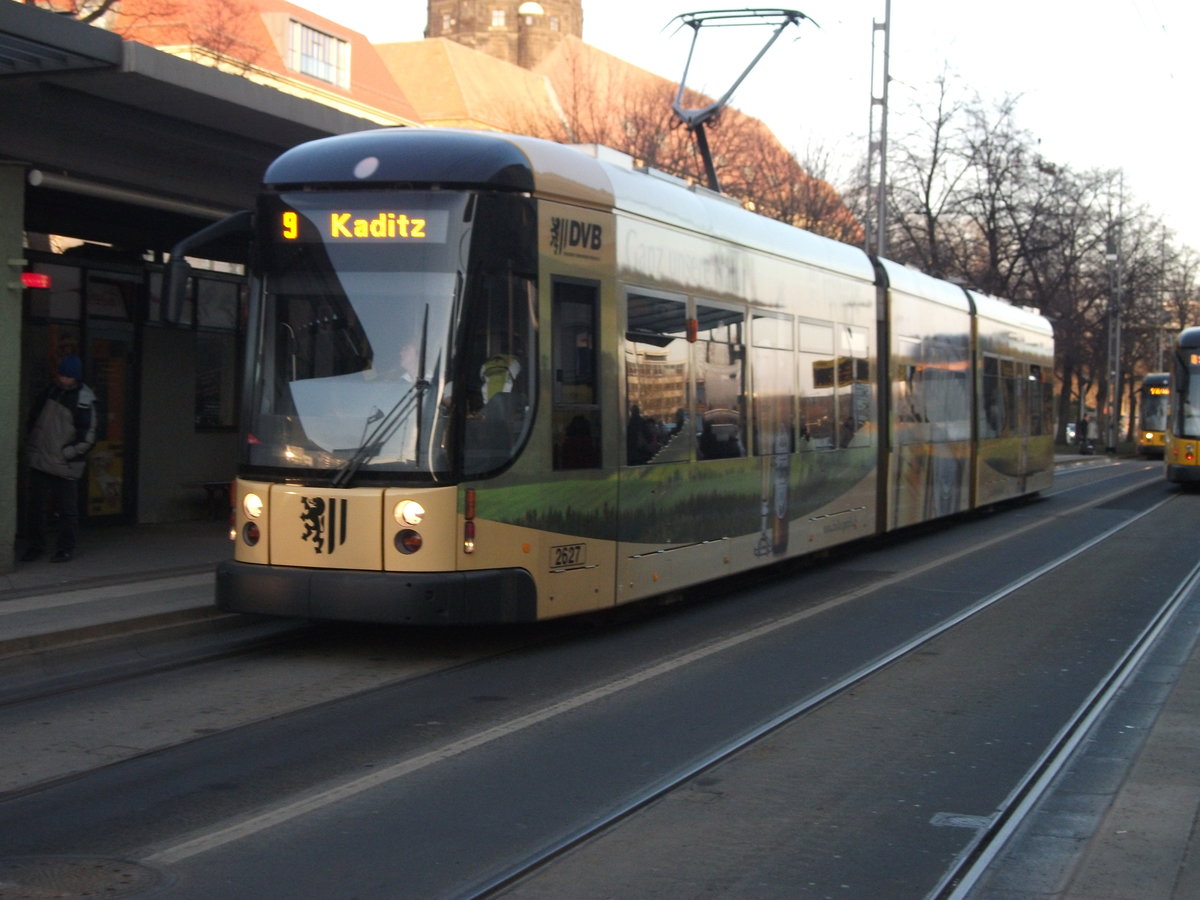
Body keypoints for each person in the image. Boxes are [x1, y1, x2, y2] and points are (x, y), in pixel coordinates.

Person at [22, 354, 97, 563]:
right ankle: (36, 546)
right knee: (36, 507)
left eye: (67, 376)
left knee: (67, 510)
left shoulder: (83, 400)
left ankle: (65, 548)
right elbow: (33, 418)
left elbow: (88, 435)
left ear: (76, 377)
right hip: (42, 458)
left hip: (64, 463)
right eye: (62, 374)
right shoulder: (50, 390)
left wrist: (68, 453)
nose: (63, 379)